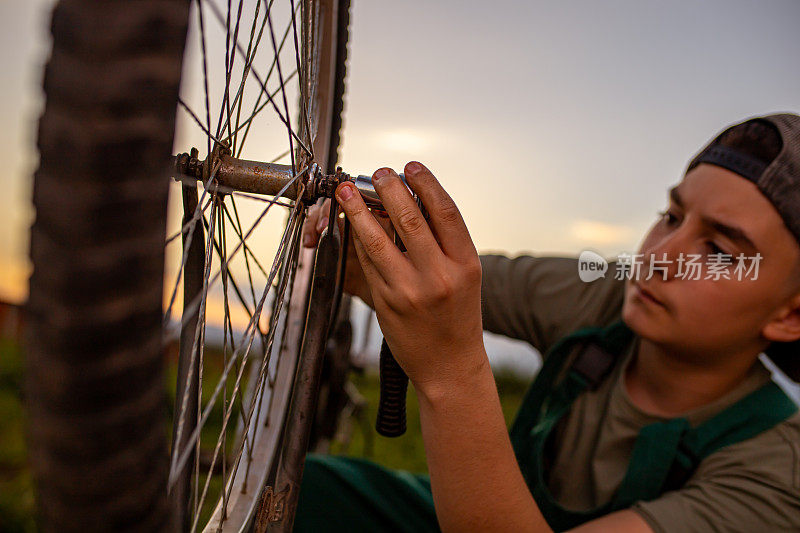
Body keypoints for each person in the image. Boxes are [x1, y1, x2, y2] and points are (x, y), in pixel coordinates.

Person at [294, 113, 800, 532]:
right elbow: (443, 286)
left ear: (790, 314)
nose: (659, 257)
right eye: (671, 217)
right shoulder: (603, 297)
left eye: (717, 250)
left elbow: (449, 338)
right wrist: (364, 241)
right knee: (305, 495)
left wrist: (450, 372)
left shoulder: (779, 474)